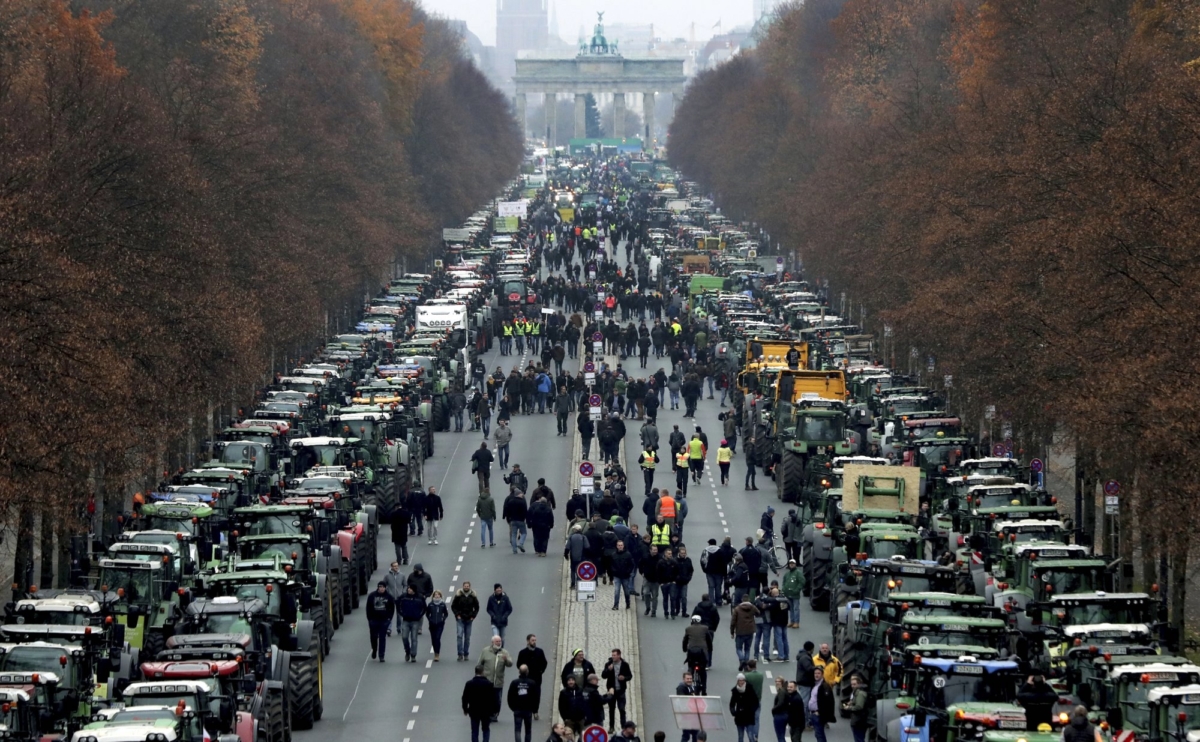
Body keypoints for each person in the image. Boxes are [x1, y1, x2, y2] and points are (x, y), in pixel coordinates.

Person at [478, 635, 514, 722]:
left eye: (499, 641)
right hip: (487, 681)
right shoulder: (485, 651)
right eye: (497, 641)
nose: (499, 643)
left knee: (497, 700)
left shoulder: (504, 652)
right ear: (492, 642)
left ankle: (495, 714)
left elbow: (510, 664)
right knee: (487, 699)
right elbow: (479, 664)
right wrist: (480, 675)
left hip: (498, 681)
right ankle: (488, 714)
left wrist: (506, 660)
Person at [516, 635, 549, 720]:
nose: (534, 642)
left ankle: (535, 711)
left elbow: (544, 662)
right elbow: (518, 664)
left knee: (536, 694)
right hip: (526, 677)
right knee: (526, 694)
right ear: (528, 641)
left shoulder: (539, 651)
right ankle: (527, 710)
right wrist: (523, 670)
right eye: (532, 640)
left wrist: (541, 671)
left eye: (535, 640)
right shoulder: (522, 652)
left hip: (537, 677)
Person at [463, 664, 497, 742]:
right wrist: (494, 710)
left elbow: (465, 697)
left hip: (473, 710)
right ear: (482, 672)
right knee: (485, 729)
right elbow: (493, 698)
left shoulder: (469, 683)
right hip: (486, 711)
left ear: (475, 672)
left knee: (474, 730)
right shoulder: (488, 684)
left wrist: (465, 708)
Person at [602, 648, 634, 731]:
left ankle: (623, 727)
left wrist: (624, 678)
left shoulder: (624, 664)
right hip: (611, 691)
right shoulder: (609, 664)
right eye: (612, 655)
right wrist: (608, 670)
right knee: (611, 710)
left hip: (621, 691)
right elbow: (603, 675)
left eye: (614, 655)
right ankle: (611, 727)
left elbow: (630, 676)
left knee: (622, 709)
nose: (613, 657)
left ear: (619, 655)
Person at [507, 665, 539, 742]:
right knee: (528, 730)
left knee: (517, 730)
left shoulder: (514, 683)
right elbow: (536, 698)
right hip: (528, 710)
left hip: (517, 709)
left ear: (519, 672)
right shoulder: (532, 683)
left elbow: (510, 697)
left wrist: (513, 708)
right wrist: (535, 710)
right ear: (527, 671)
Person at [365, 581, 394, 662]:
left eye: (383, 587)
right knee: (373, 637)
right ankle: (374, 650)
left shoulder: (389, 597)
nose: (381, 589)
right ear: (378, 587)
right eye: (380, 587)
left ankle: (381, 655)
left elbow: (392, 608)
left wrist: (389, 619)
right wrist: (369, 619)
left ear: (385, 588)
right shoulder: (372, 596)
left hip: (384, 621)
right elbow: (368, 608)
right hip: (374, 620)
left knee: (382, 638)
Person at [452, 581, 481, 661]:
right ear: (463, 586)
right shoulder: (458, 595)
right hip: (460, 619)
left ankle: (466, 653)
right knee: (459, 636)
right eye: (465, 586)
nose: (466, 587)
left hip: (469, 619)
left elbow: (477, 607)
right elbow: (453, 606)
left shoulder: (473, 596)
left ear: (469, 587)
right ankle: (460, 654)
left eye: (468, 586)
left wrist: (473, 616)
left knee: (467, 637)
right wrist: (457, 614)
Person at [397, 585, 426, 662]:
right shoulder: (403, 596)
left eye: (410, 589)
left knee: (414, 638)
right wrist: (402, 613)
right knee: (404, 637)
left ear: (414, 590)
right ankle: (407, 651)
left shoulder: (419, 597)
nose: (409, 590)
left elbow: (424, 607)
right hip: (406, 620)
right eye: (408, 588)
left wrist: (419, 615)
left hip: (415, 621)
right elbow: (398, 604)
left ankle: (413, 655)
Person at [731, 597, 760, 671]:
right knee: (747, 649)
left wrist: (732, 632)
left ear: (742, 600)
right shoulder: (752, 607)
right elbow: (758, 613)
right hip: (750, 631)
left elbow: (733, 621)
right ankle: (746, 664)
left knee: (738, 648)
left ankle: (742, 660)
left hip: (740, 631)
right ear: (749, 600)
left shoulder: (737, 609)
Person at [808, 666, 837, 742]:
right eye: (815, 673)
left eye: (818, 673)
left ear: (822, 675)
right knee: (818, 735)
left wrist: (820, 712)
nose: (816, 675)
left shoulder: (824, 686)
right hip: (813, 714)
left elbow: (828, 702)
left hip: (819, 715)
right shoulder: (815, 685)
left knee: (820, 735)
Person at [730, 673, 761, 742]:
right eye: (740, 680)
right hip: (739, 717)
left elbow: (756, 702)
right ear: (737, 681)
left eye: (742, 680)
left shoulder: (749, 688)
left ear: (745, 680)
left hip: (749, 717)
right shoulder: (735, 691)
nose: (741, 682)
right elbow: (732, 704)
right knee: (740, 736)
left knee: (750, 736)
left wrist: (752, 711)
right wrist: (734, 712)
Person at [611, 539, 637, 610]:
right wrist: (614, 571)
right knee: (617, 591)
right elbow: (611, 565)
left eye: (621, 545)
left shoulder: (628, 554)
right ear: (616, 546)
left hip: (625, 576)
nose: (620, 547)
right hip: (617, 576)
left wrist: (628, 572)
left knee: (626, 591)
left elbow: (631, 565)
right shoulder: (613, 555)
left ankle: (628, 603)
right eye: (619, 545)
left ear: (623, 546)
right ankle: (616, 605)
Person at [676, 672, 702, 742]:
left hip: (694, 715)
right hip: (686, 715)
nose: (689, 680)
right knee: (686, 735)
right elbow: (683, 699)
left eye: (690, 678)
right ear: (683, 679)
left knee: (696, 734)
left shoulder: (692, 687)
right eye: (687, 679)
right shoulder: (681, 687)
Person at [744, 659, 766, 740]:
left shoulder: (746, 676)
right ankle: (756, 735)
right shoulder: (761, 675)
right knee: (756, 719)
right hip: (758, 699)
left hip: (748, 701)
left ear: (748, 667)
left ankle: (751, 737)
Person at [843, 674, 869, 742]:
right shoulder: (856, 692)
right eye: (852, 684)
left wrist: (849, 708)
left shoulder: (860, 693)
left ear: (859, 684)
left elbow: (859, 707)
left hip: (859, 721)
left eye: (854, 684)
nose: (853, 686)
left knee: (859, 739)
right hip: (857, 721)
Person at [503, 488, 529, 554]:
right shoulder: (522, 502)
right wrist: (527, 519)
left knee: (513, 535)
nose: (522, 494)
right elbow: (525, 512)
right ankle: (521, 543)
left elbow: (507, 510)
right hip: (521, 520)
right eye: (521, 493)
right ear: (518, 494)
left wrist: (508, 518)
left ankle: (514, 549)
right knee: (524, 533)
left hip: (513, 520)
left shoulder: (511, 501)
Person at [384, 561, 406, 634]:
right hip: (390, 597)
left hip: (399, 597)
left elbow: (405, 585)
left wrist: (403, 592)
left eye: (397, 566)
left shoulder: (402, 575)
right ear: (391, 567)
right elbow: (384, 585)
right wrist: (387, 592)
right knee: (390, 613)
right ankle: (389, 628)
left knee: (399, 614)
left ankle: (399, 628)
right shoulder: (387, 576)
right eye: (394, 566)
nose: (396, 567)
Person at [426, 589, 448, 661]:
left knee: (437, 638)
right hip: (432, 625)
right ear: (433, 596)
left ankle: (437, 654)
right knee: (433, 639)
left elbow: (446, 614)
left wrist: (442, 619)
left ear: (440, 596)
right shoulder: (431, 604)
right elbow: (427, 614)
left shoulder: (442, 604)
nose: (437, 596)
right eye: (436, 595)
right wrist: (430, 619)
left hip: (440, 624)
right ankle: (435, 650)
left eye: (438, 595)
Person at [781, 560, 804, 628]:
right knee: (790, 608)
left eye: (793, 564)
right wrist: (784, 590)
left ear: (795, 564)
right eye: (790, 564)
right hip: (788, 595)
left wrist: (797, 590)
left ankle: (796, 622)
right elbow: (784, 582)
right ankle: (792, 621)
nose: (791, 565)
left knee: (796, 608)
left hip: (795, 595)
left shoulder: (798, 573)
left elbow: (802, 582)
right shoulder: (787, 574)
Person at [771, 677, 790, 742]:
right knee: (782, 735)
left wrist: (773, 710)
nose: (777, 683)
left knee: (780, 737)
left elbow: (780, 703)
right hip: (784, 714)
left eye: (779, 681)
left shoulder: (781, 691)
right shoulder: (784, 690)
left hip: (780, 715)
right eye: (776, 681)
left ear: (782, 682)